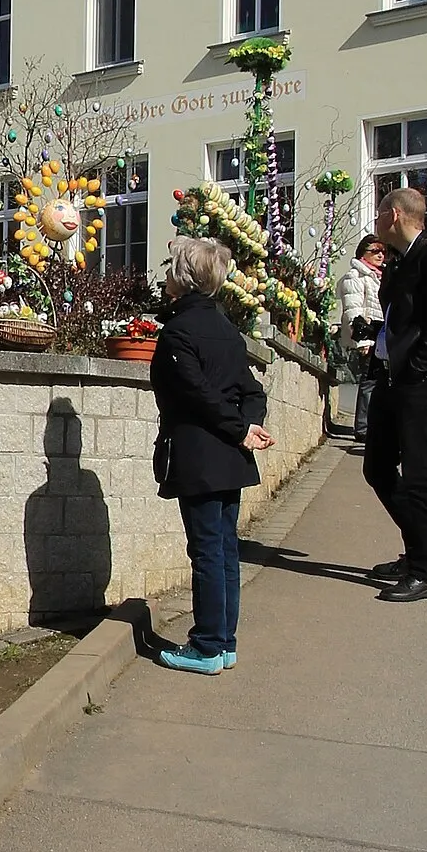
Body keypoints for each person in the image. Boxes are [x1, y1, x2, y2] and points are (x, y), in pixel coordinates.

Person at [149, 235, 274, 673]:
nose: (166, 275)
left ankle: (206, 646)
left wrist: (242, 428)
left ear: (183, 278)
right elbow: (249, 390)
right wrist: (249, 426)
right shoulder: (226, 329)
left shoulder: (180, 332)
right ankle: (224, 642)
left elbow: (197, 394)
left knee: (206, 551)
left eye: (171, 269)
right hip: (229, 457)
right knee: (223, 550)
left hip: (202, 455)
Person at [362, 187, 427, 602]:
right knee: (377, 467)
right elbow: (401, 320)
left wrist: (414, 372)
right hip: (392, 378)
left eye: (381, 211)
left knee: (419, 478)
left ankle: (425, 570)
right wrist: (375, 334)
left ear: (396, 215)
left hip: (419, 385)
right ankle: (417, 548)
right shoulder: (401, 261)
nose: (377, 219)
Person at [339, 235, 387, 438]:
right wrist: (363, 340)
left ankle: (374, 424)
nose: (380, 254)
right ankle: (363, 428)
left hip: (381, 330)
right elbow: (353, 309)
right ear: (363, 254)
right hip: (368, 331)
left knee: (379, 380)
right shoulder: (355, 276)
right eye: (374, 251)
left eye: (382, 251)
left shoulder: (378, 275)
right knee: (369, 380)